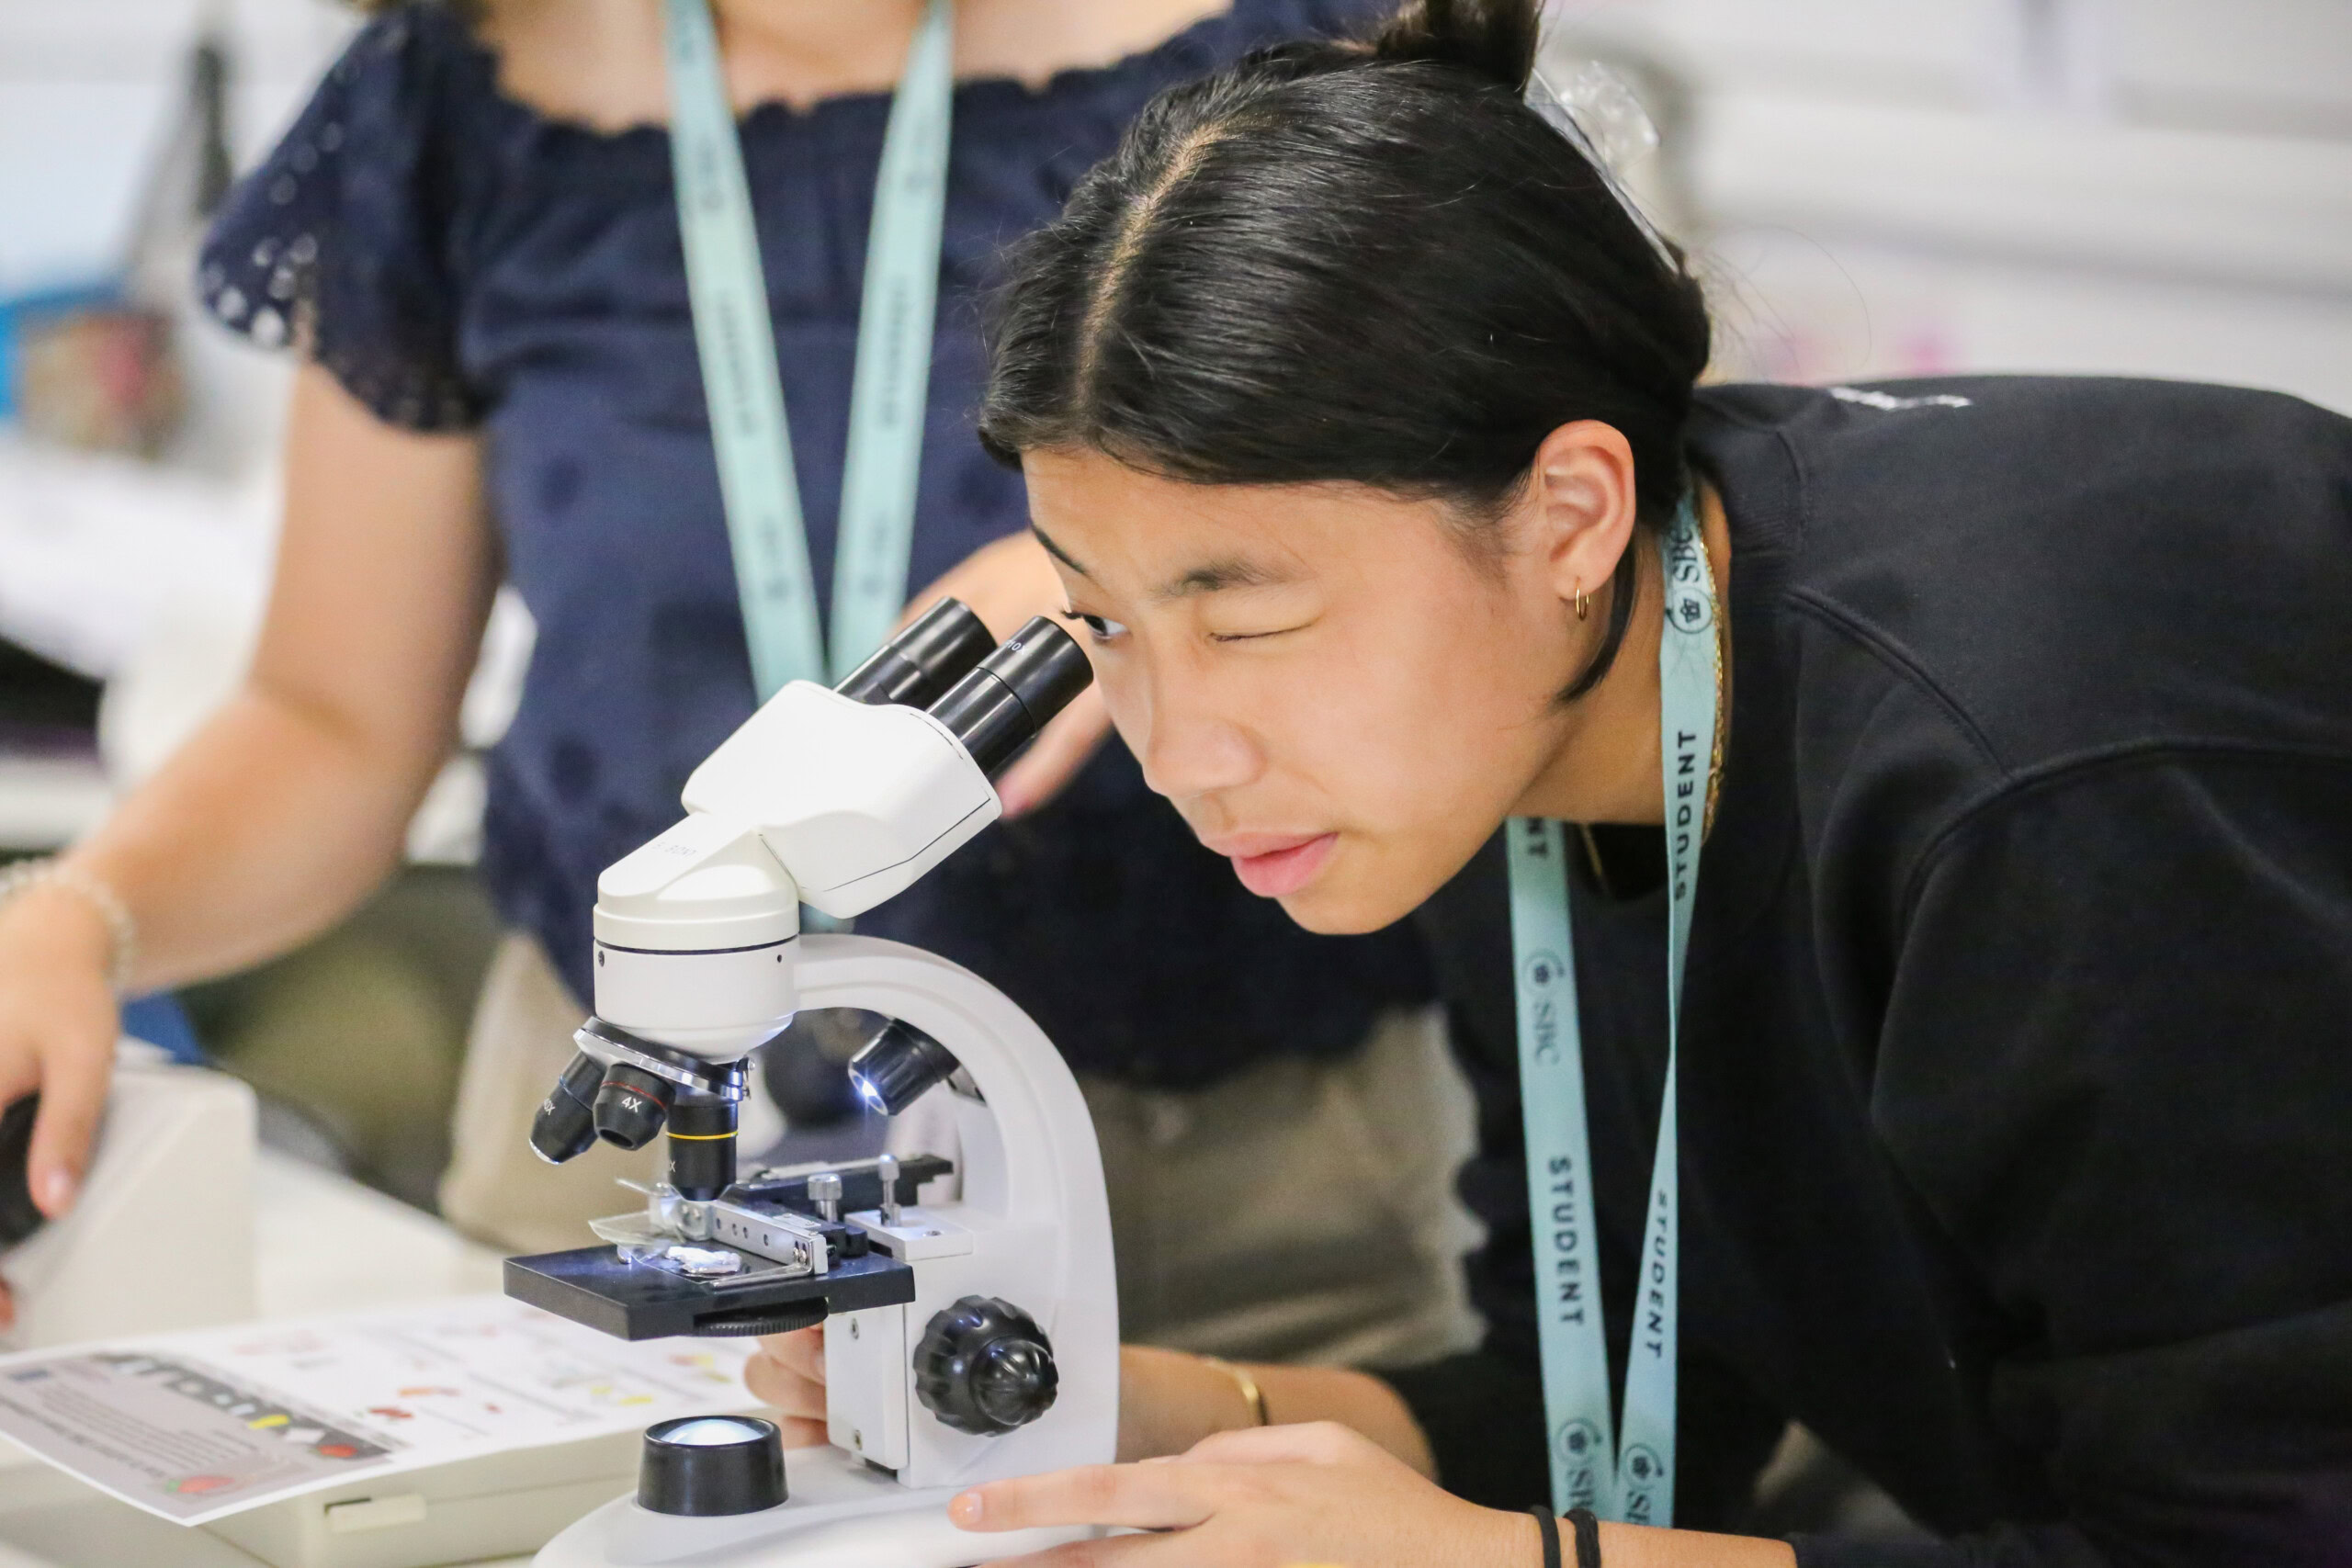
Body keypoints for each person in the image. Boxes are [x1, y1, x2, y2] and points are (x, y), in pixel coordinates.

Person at [753, 1, 2352, 1562]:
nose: (1184, 757)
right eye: (1100, 621)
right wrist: (1145, 1412)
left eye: (1252, 619)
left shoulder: (2043, 787)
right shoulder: (1519, 723)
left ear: (1570, 513)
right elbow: (1619, 1416)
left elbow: (2263, 1533)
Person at [0, 0, 1482, 1368]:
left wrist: (1120, 589)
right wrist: (76, 918)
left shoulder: (1314, 56)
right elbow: (333, 719)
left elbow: (1511, 569)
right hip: (619, 1163)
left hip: (1223, 1208)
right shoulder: (452, 109)